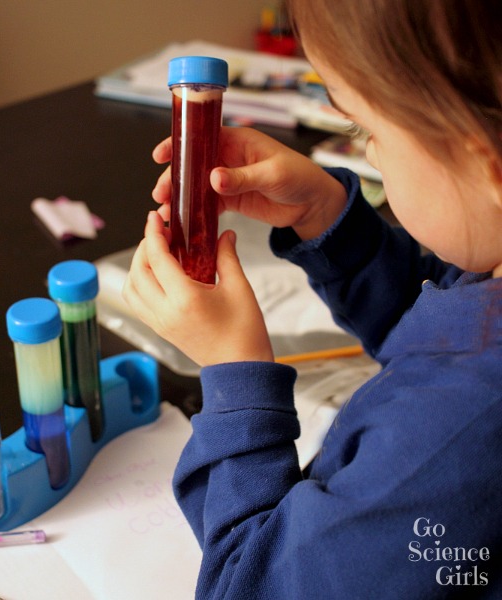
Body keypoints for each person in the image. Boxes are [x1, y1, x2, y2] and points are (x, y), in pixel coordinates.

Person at [123, 0, 502, 597]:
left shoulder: (449, 437)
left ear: (488, 171)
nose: (369, 152)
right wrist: (329, 219)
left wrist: (235, 373)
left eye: (367, 131)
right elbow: (443, 335)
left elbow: (253, 585)